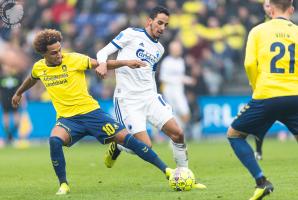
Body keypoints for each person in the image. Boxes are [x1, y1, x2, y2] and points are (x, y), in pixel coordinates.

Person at [11, 29, 174, 195]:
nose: (59, 54)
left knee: (129, 140)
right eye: (54, 53)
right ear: (43, 53)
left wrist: (126, 62)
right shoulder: (39, 68)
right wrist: (18, 93)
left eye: (60, 49)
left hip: (92, 114)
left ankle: (168, 171)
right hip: (68, 120)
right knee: (54, 140)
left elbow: (101, 64)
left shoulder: (74, 59)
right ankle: (64, 184)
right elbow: (32, 78)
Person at [96, 6, 206, 189]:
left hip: (150, 97)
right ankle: (118, 144)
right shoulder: (131, 34)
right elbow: (103, 53)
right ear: (149, 21)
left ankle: (185, 175)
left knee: (178, 133)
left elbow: (150, 73)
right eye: (159, 23)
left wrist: (155, 95)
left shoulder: (159, 49)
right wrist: (101, 65)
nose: (162, 27)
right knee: (145, 146)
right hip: (128, 100)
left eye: (166, 25)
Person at [227, 0, 297, 199]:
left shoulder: (258, 31)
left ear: (271, 9)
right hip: (295, 95)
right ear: (291, 10)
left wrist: (255, 85)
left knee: (234, 135)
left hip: (267, 94)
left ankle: (261, 181)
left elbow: (249, 63)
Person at [159, 40, 194, 139]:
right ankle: (177, 136)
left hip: (179, 90)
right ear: (171, 50)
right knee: (176, 114)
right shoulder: (167, 62)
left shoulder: (181, 61)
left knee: (184, 113)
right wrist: (179, 80)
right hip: (169, 91)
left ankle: (178, 135)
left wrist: (187, 80)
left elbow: (181, 76)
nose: (179, 51)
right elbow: (163, 78)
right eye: (176, 49)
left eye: (179, 49)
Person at [254, 0, 273, 161]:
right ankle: (258, 150)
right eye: (266, 5)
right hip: (264, 79)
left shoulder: (288, 25)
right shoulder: (257, 27)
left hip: (285, 79)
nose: (269, 8)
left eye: (270, 4)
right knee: (261, 121)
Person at [0, 64, 23, 145]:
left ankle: (11, 135)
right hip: (5, 100)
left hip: (15, 100)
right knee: (6, 118)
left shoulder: (17, 77)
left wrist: (22, 100)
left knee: (17, 119)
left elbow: (21, 90)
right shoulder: (1, 77)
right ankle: (9, 136)